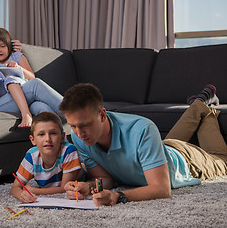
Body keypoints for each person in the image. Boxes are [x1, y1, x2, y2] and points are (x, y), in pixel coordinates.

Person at [61, 83, 227, 207]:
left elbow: (162, 189)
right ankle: (199, 103)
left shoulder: (142, 130)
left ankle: (206, 108)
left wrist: (117, 196)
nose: (79, 133)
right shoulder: (78, 139)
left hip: (187, 161)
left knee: (222, 159)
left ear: (102, 115)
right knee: (163, 142)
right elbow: (105, 179)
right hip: (161, 149)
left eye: (85, 125)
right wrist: (88, 186)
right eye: (73, 126)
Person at [10, 112, 82, 203]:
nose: (48, 139)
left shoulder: (69, 151)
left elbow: (64, 188)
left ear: (62, 137)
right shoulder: (31, 156)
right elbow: (14, 188)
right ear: (33, 140)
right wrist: (21, 195)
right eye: (41, 134)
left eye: (53, 133)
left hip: (82, 175)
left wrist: (36, 191)